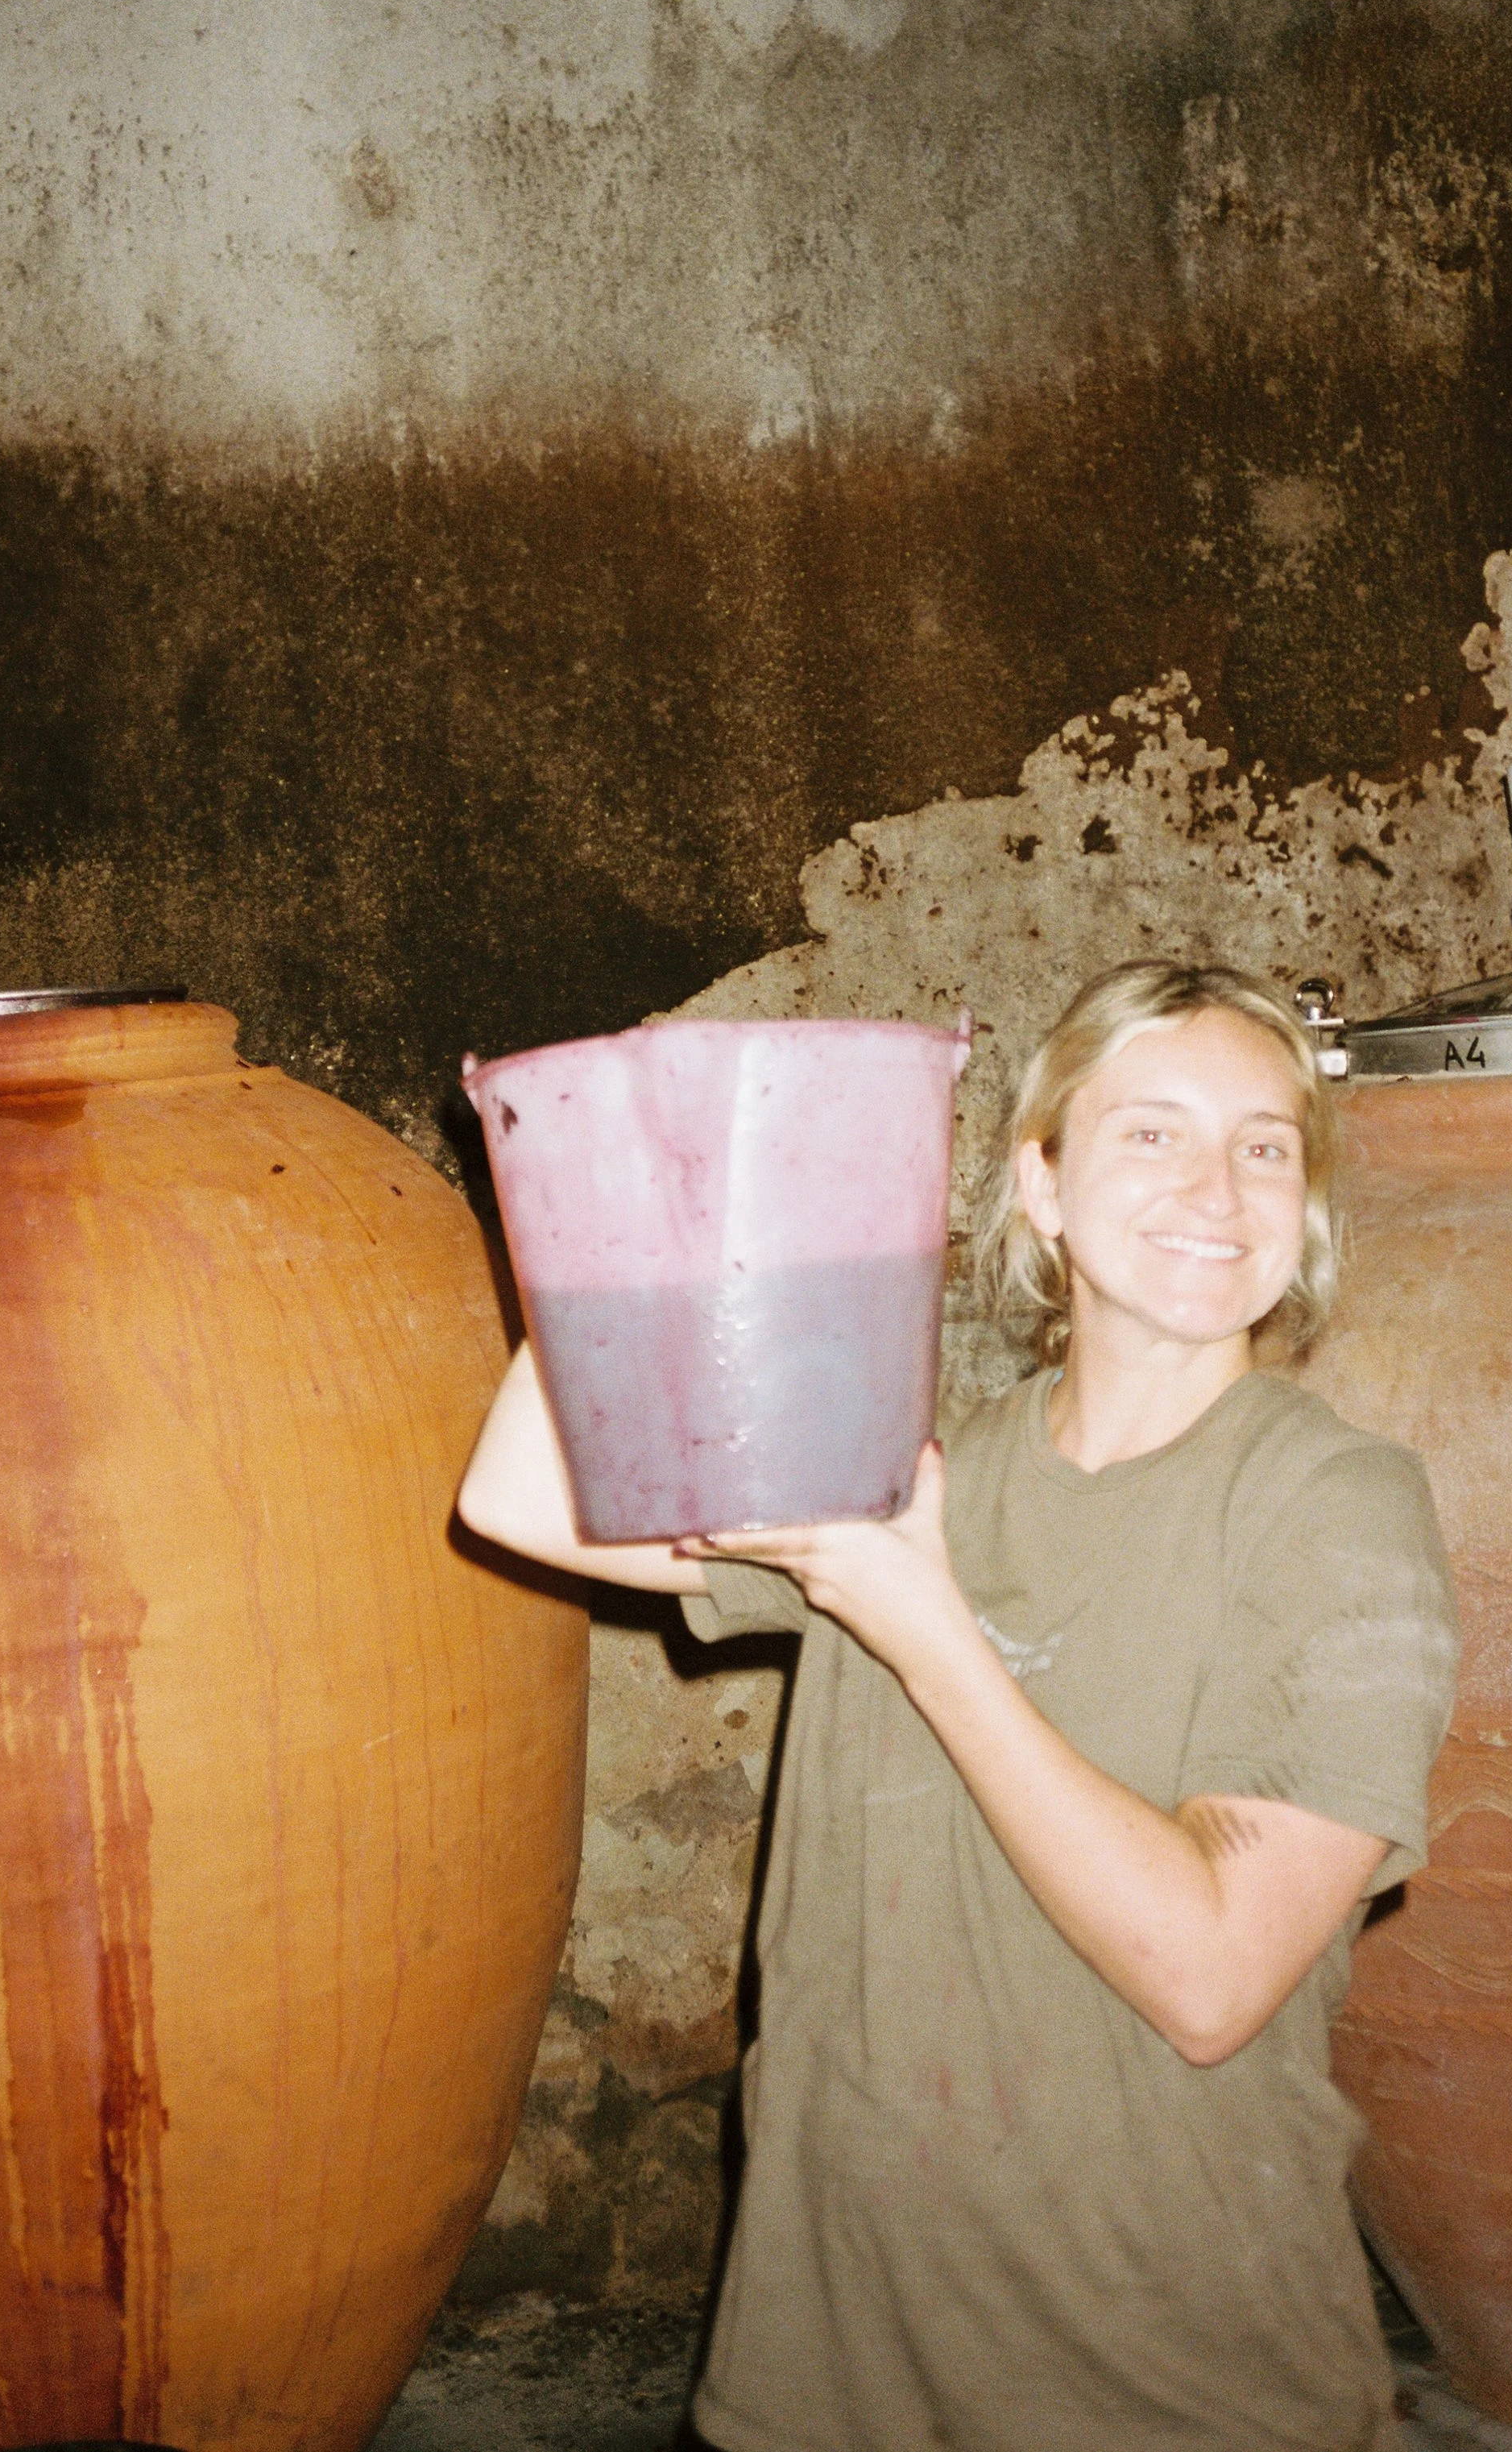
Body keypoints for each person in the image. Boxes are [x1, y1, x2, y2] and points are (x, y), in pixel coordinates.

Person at [458, 960, 1460, 2452]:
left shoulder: (1334, 1509)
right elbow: (521, 1494)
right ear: (1040, 1189)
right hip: (825, 2367)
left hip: (1172, 2382)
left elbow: (1209, 1979)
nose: (1220, 1186)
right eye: (1151, 1134)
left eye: (1266, 1144)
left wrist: (923, 1622)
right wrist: (627, 1179)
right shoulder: (889, 1458)